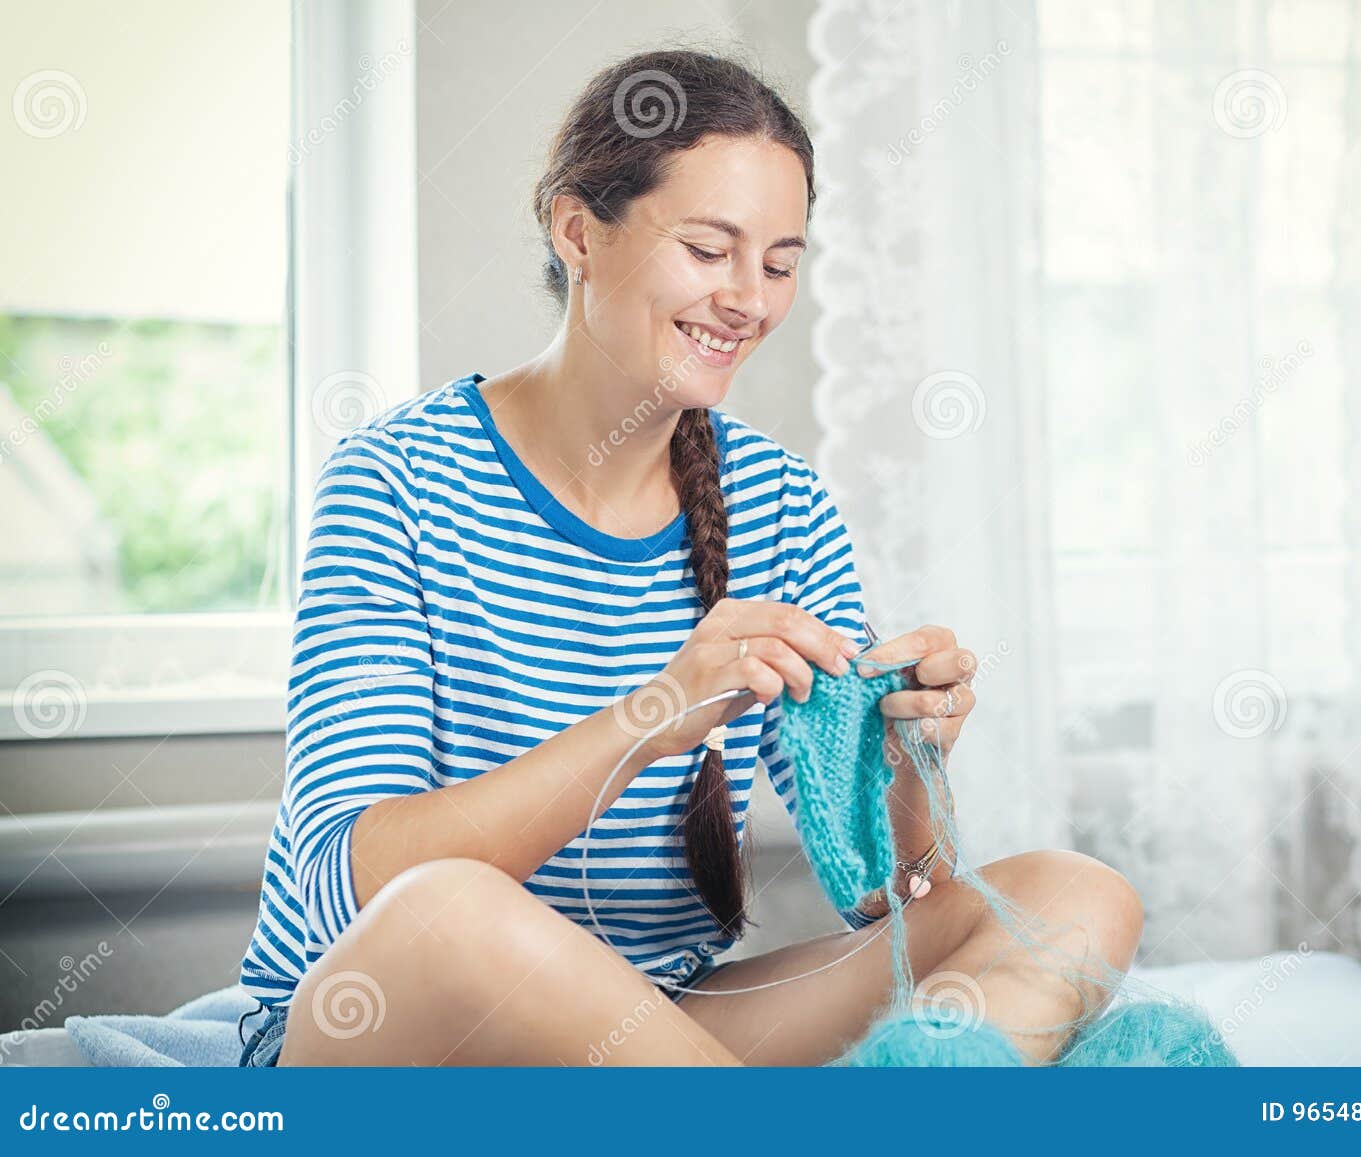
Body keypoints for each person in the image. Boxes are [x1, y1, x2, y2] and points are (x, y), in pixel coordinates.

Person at [237, 49, 1142, 1067]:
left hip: (658, 1027)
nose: (749, 299)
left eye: (781, 262)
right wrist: (655, 715)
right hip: (394, 1020)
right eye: (710, 250)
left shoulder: (779, 502)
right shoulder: (396, 479)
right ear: (577, 231)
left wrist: (904, 765)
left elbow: (881, 900)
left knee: (1075, 894)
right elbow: (346, 885)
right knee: (448, 911)